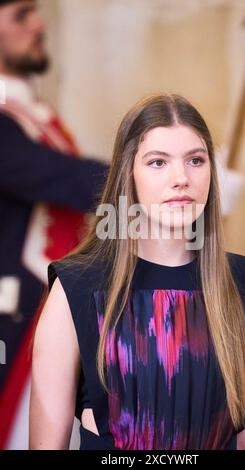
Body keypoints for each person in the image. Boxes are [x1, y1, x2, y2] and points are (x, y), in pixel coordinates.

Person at [30, 93, 245, 450]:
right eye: (158, 162)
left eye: (195, 160)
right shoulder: (78, 288)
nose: (181, 179)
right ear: (128, 175)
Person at [0, 0, 108, 449]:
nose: (39, 24)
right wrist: (159, 175)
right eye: (21, 15)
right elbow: (61, 178)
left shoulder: (31, 114)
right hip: (15, 311)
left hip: (51, 304)